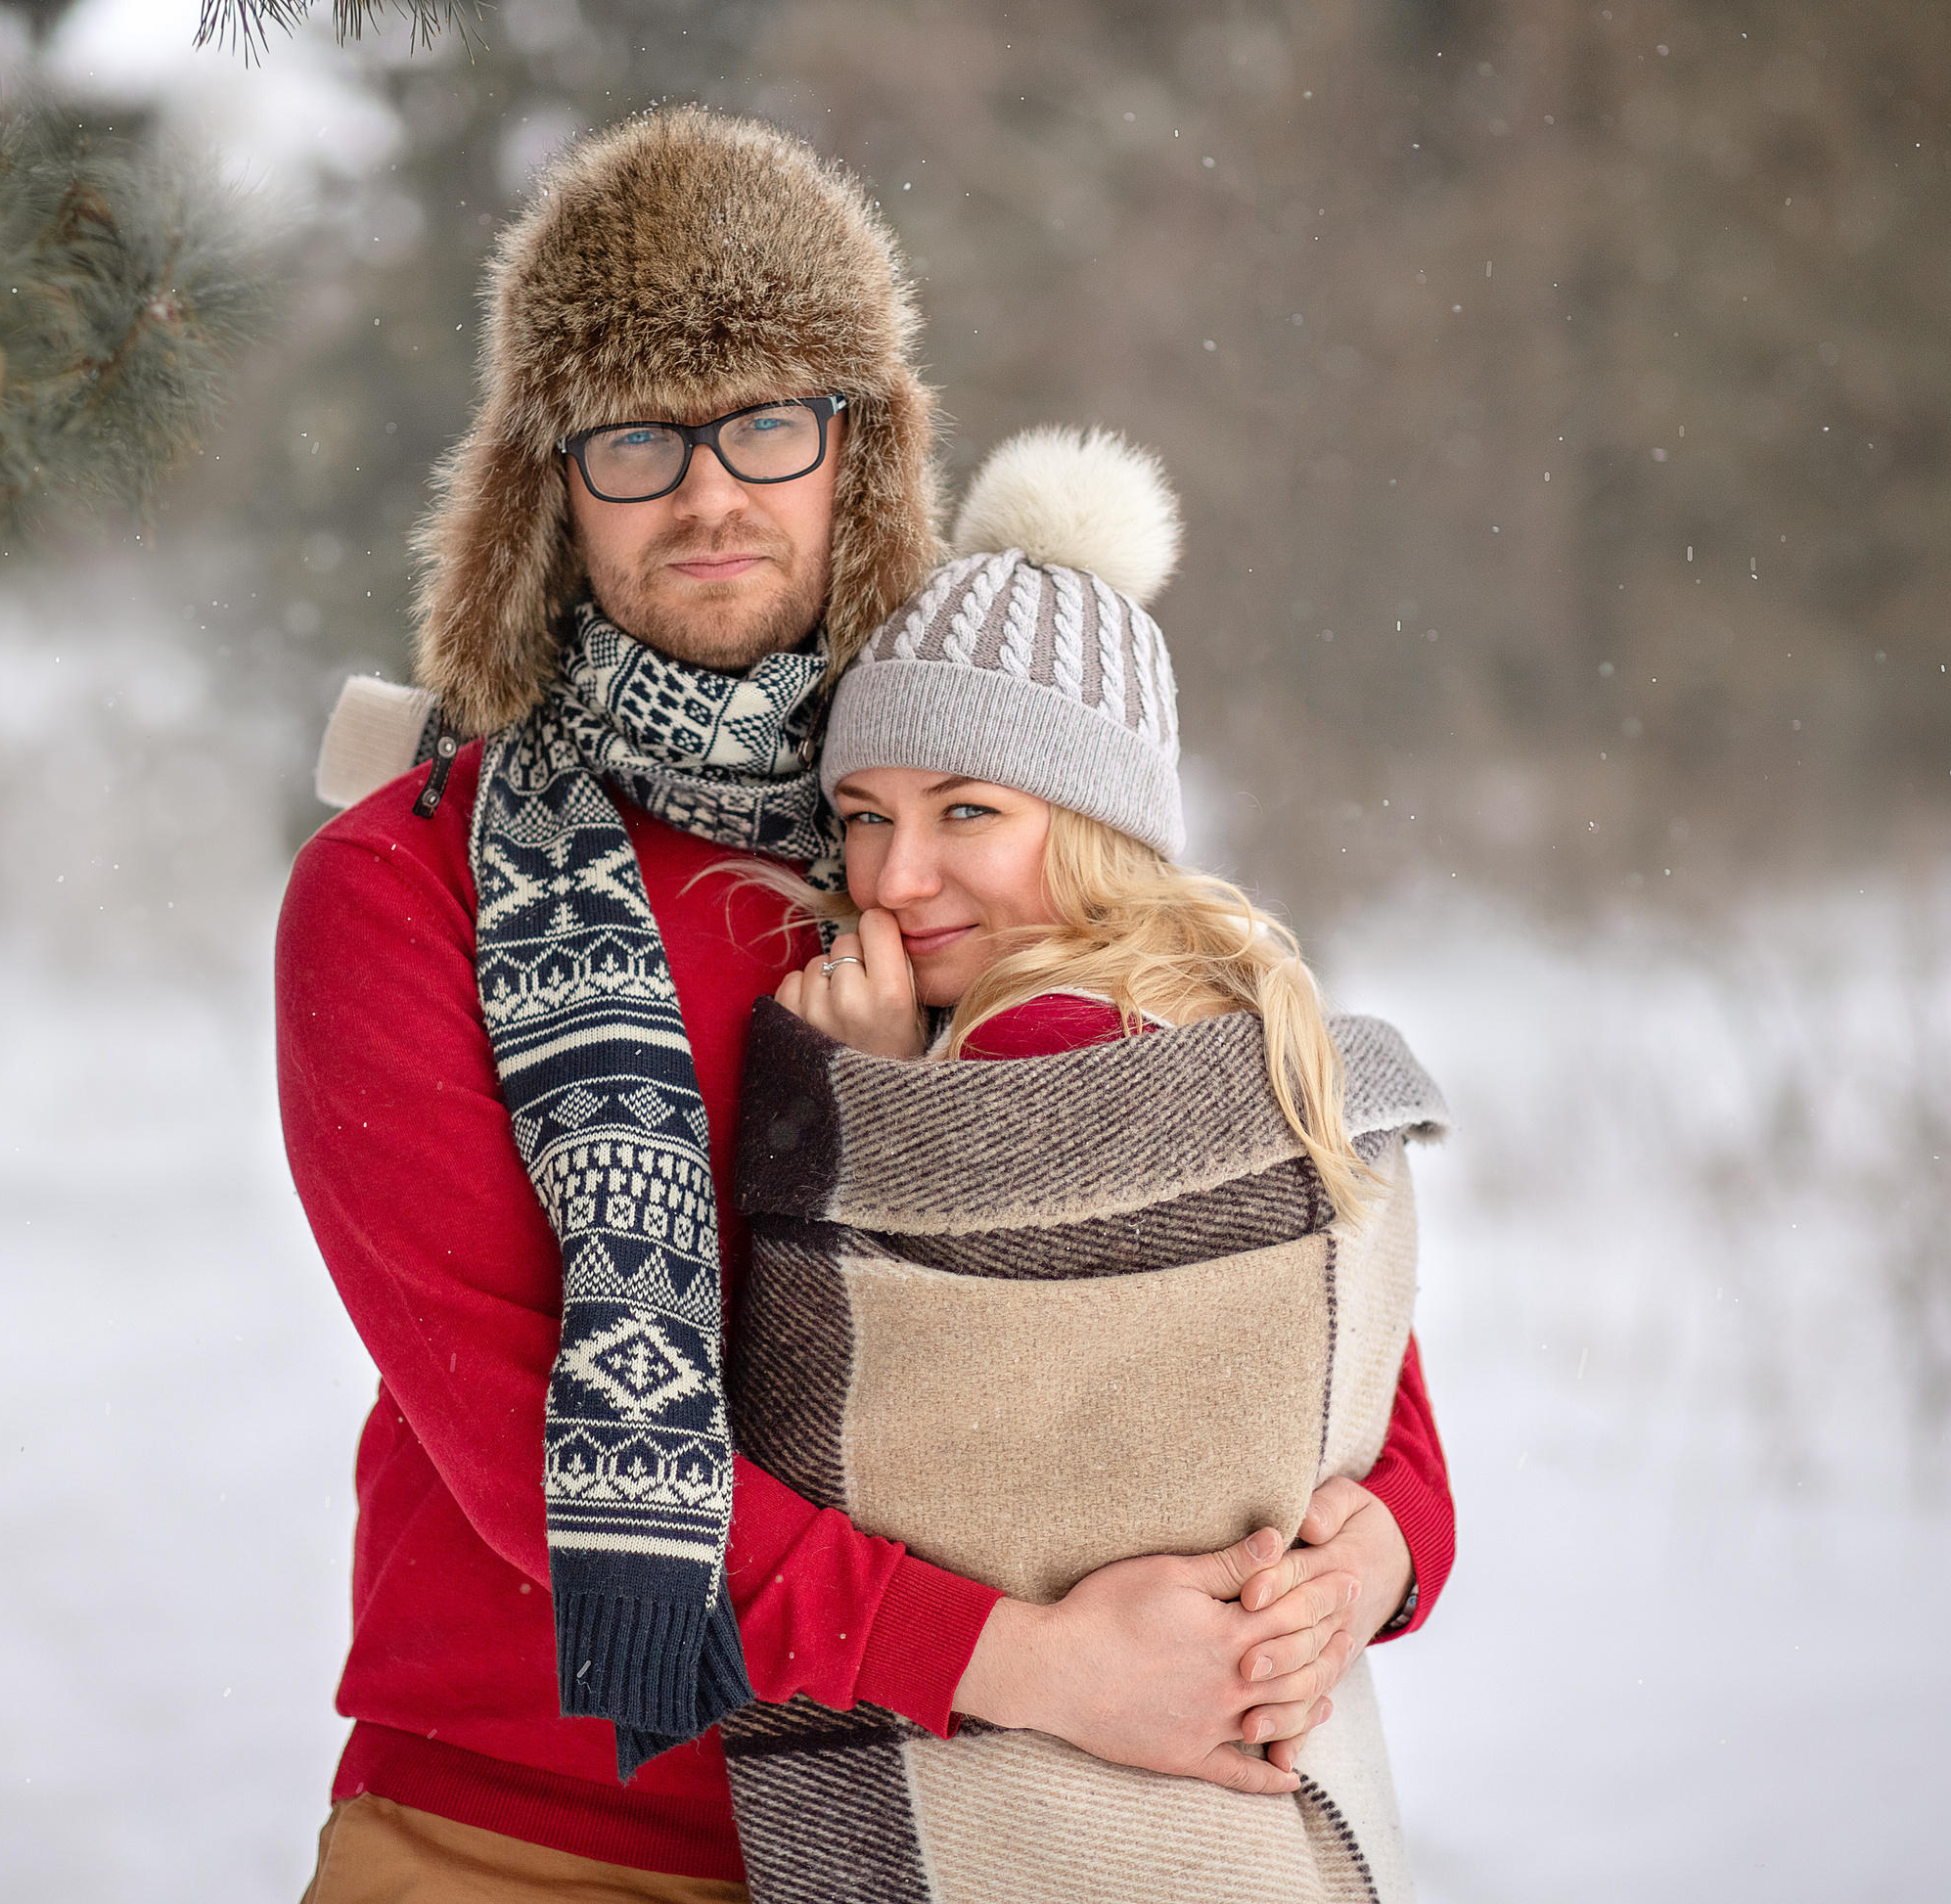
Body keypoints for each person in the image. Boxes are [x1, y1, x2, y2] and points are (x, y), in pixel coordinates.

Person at [275, 111, 1453, 1902]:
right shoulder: (402, 886)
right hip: (541, 1826)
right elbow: (528, 1435)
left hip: (974, 1834)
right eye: (636, 437)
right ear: (547, 485)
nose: (709, 493)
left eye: (769, 421)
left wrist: (1362, 1562)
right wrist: (1038, 1661)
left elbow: (1285, 1302)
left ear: (860, 453)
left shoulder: (962, 834)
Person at [726, 426, 1450, 1899]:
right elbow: (1384, 1425)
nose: (896, 878)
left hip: (1028, 1824)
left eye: (967, 812)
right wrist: (1371, 1563)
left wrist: (839, 1097)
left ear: (1102, 821)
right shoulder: (1269, 1053)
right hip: (1255, 1826)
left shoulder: (1030, 1054)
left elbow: (789, 1418)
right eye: (863, 818)